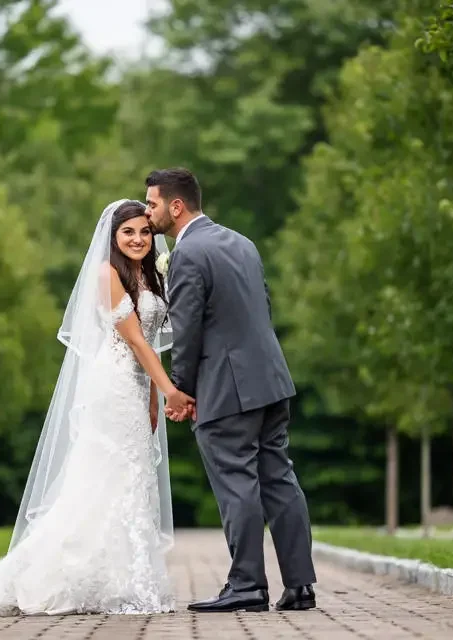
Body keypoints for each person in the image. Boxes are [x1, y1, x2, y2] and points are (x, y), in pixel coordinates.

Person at [0, 199, 194, 617]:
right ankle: (77, 578)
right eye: (127, 232)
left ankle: (124, 578)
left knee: (129, 481)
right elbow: (134, 340)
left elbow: (149, 344)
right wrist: (170, 389)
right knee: (106, 477)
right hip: (112, 387)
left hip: (137, 388)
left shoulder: (149, 275)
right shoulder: (107, 274)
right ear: (112, 239)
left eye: (144, 232)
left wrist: (152, 395)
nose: (137, 239)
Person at [144, 168, 317, 613]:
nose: (150, 212)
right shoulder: (242, 243)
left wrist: (180, 391)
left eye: (153, 204)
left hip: (227, 389)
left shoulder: (187, 255)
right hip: (271, 380)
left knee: (237, 483)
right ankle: (300, 586)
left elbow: (189, 332)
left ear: (176, 205)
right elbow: (263, 305)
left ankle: (246, 586)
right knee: (279, 478)